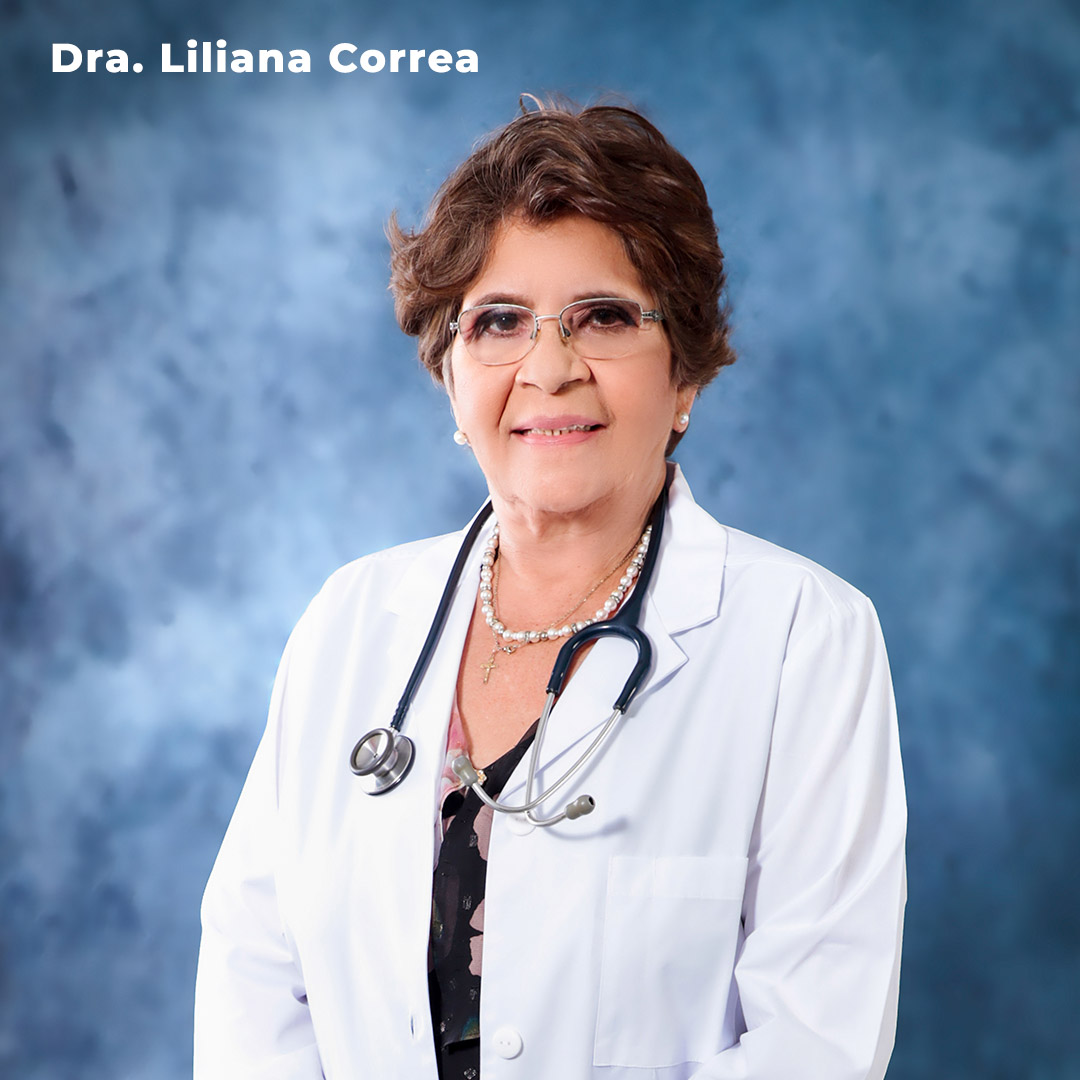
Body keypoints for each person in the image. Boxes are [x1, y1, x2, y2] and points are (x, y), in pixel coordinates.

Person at [194, 99, 906, 1080]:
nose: (550, 368)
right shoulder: (349, 622)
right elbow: (254, 987)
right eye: (499, 322)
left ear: (685, 374)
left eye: (603, 317)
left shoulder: (805, 639)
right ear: (451, 377)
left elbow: (815, 1046)